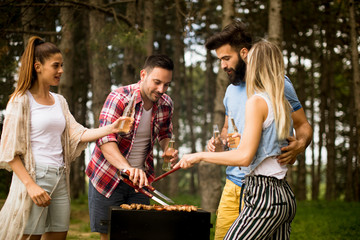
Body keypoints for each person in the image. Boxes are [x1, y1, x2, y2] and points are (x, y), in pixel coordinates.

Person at [0, 36, 131, 240]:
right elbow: (9, 151)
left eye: (62, 65)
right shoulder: (20, 101)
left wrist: (111, 128)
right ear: (38, 67)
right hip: (35, 178)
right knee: (30, 237)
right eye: (56, 66)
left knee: (59, 235)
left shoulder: (59, 101)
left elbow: (78, 133)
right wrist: (31, 185)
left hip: (60, 178)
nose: (61, 70)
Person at [176, 40, 299, 239]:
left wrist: (199, 156)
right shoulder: (279, 102)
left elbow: (244, 158)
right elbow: (269, 144)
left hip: (263, 197)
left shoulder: (256, 101)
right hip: (283, 195)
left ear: (255, 66)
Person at [204, 21, 313, 240]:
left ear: (243, 53)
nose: (223, 66)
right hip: (234, 185)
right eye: (220, 60)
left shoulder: (278, 84)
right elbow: (228, 130)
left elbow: (303, 125)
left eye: (227, 58)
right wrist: (220, 142)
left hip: (265, 187)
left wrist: (299, 147)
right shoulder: (230, 90)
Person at [86, 54, 179, 240]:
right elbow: (105, 141)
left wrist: (168, 148)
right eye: (157, 82)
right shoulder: (119, 97)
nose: (162, 89)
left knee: (138, 233)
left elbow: (164, 134)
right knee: (110, 236)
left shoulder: (166, 103)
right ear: (143, 74)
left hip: (140, 182)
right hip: (108, 178)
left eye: (166, 84)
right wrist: (127, 169)